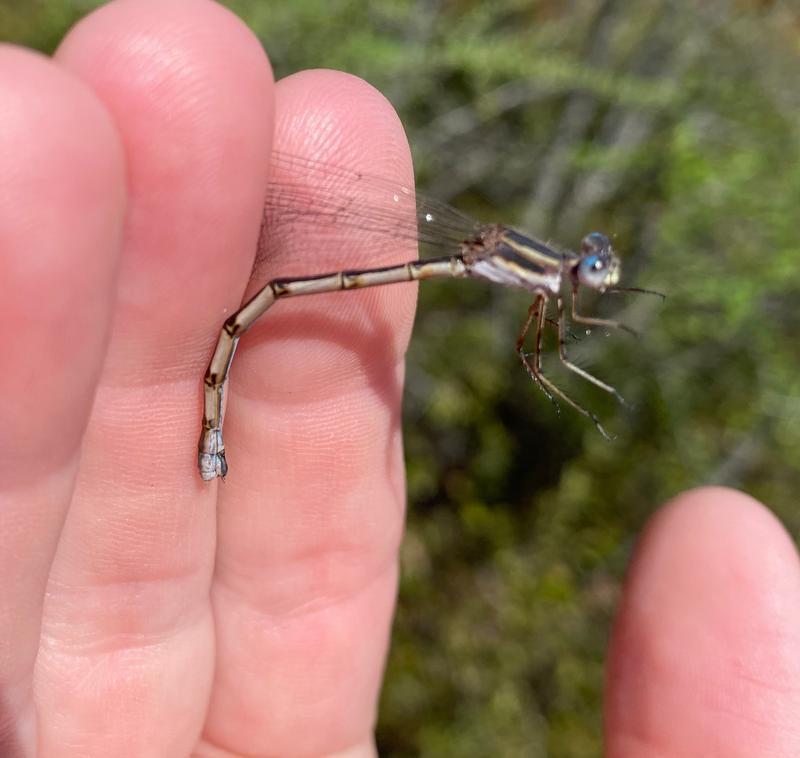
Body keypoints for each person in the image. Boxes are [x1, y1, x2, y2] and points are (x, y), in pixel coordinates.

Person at [1, 1, 798, 755]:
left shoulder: (552, 281)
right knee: (271, 284)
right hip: (266, 306)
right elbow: (542, 350)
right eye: (591, 272)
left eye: (593, 274)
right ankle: (209, 425)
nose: (588, 282)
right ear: (572, 269)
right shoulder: (545, 280)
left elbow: (548, 339)